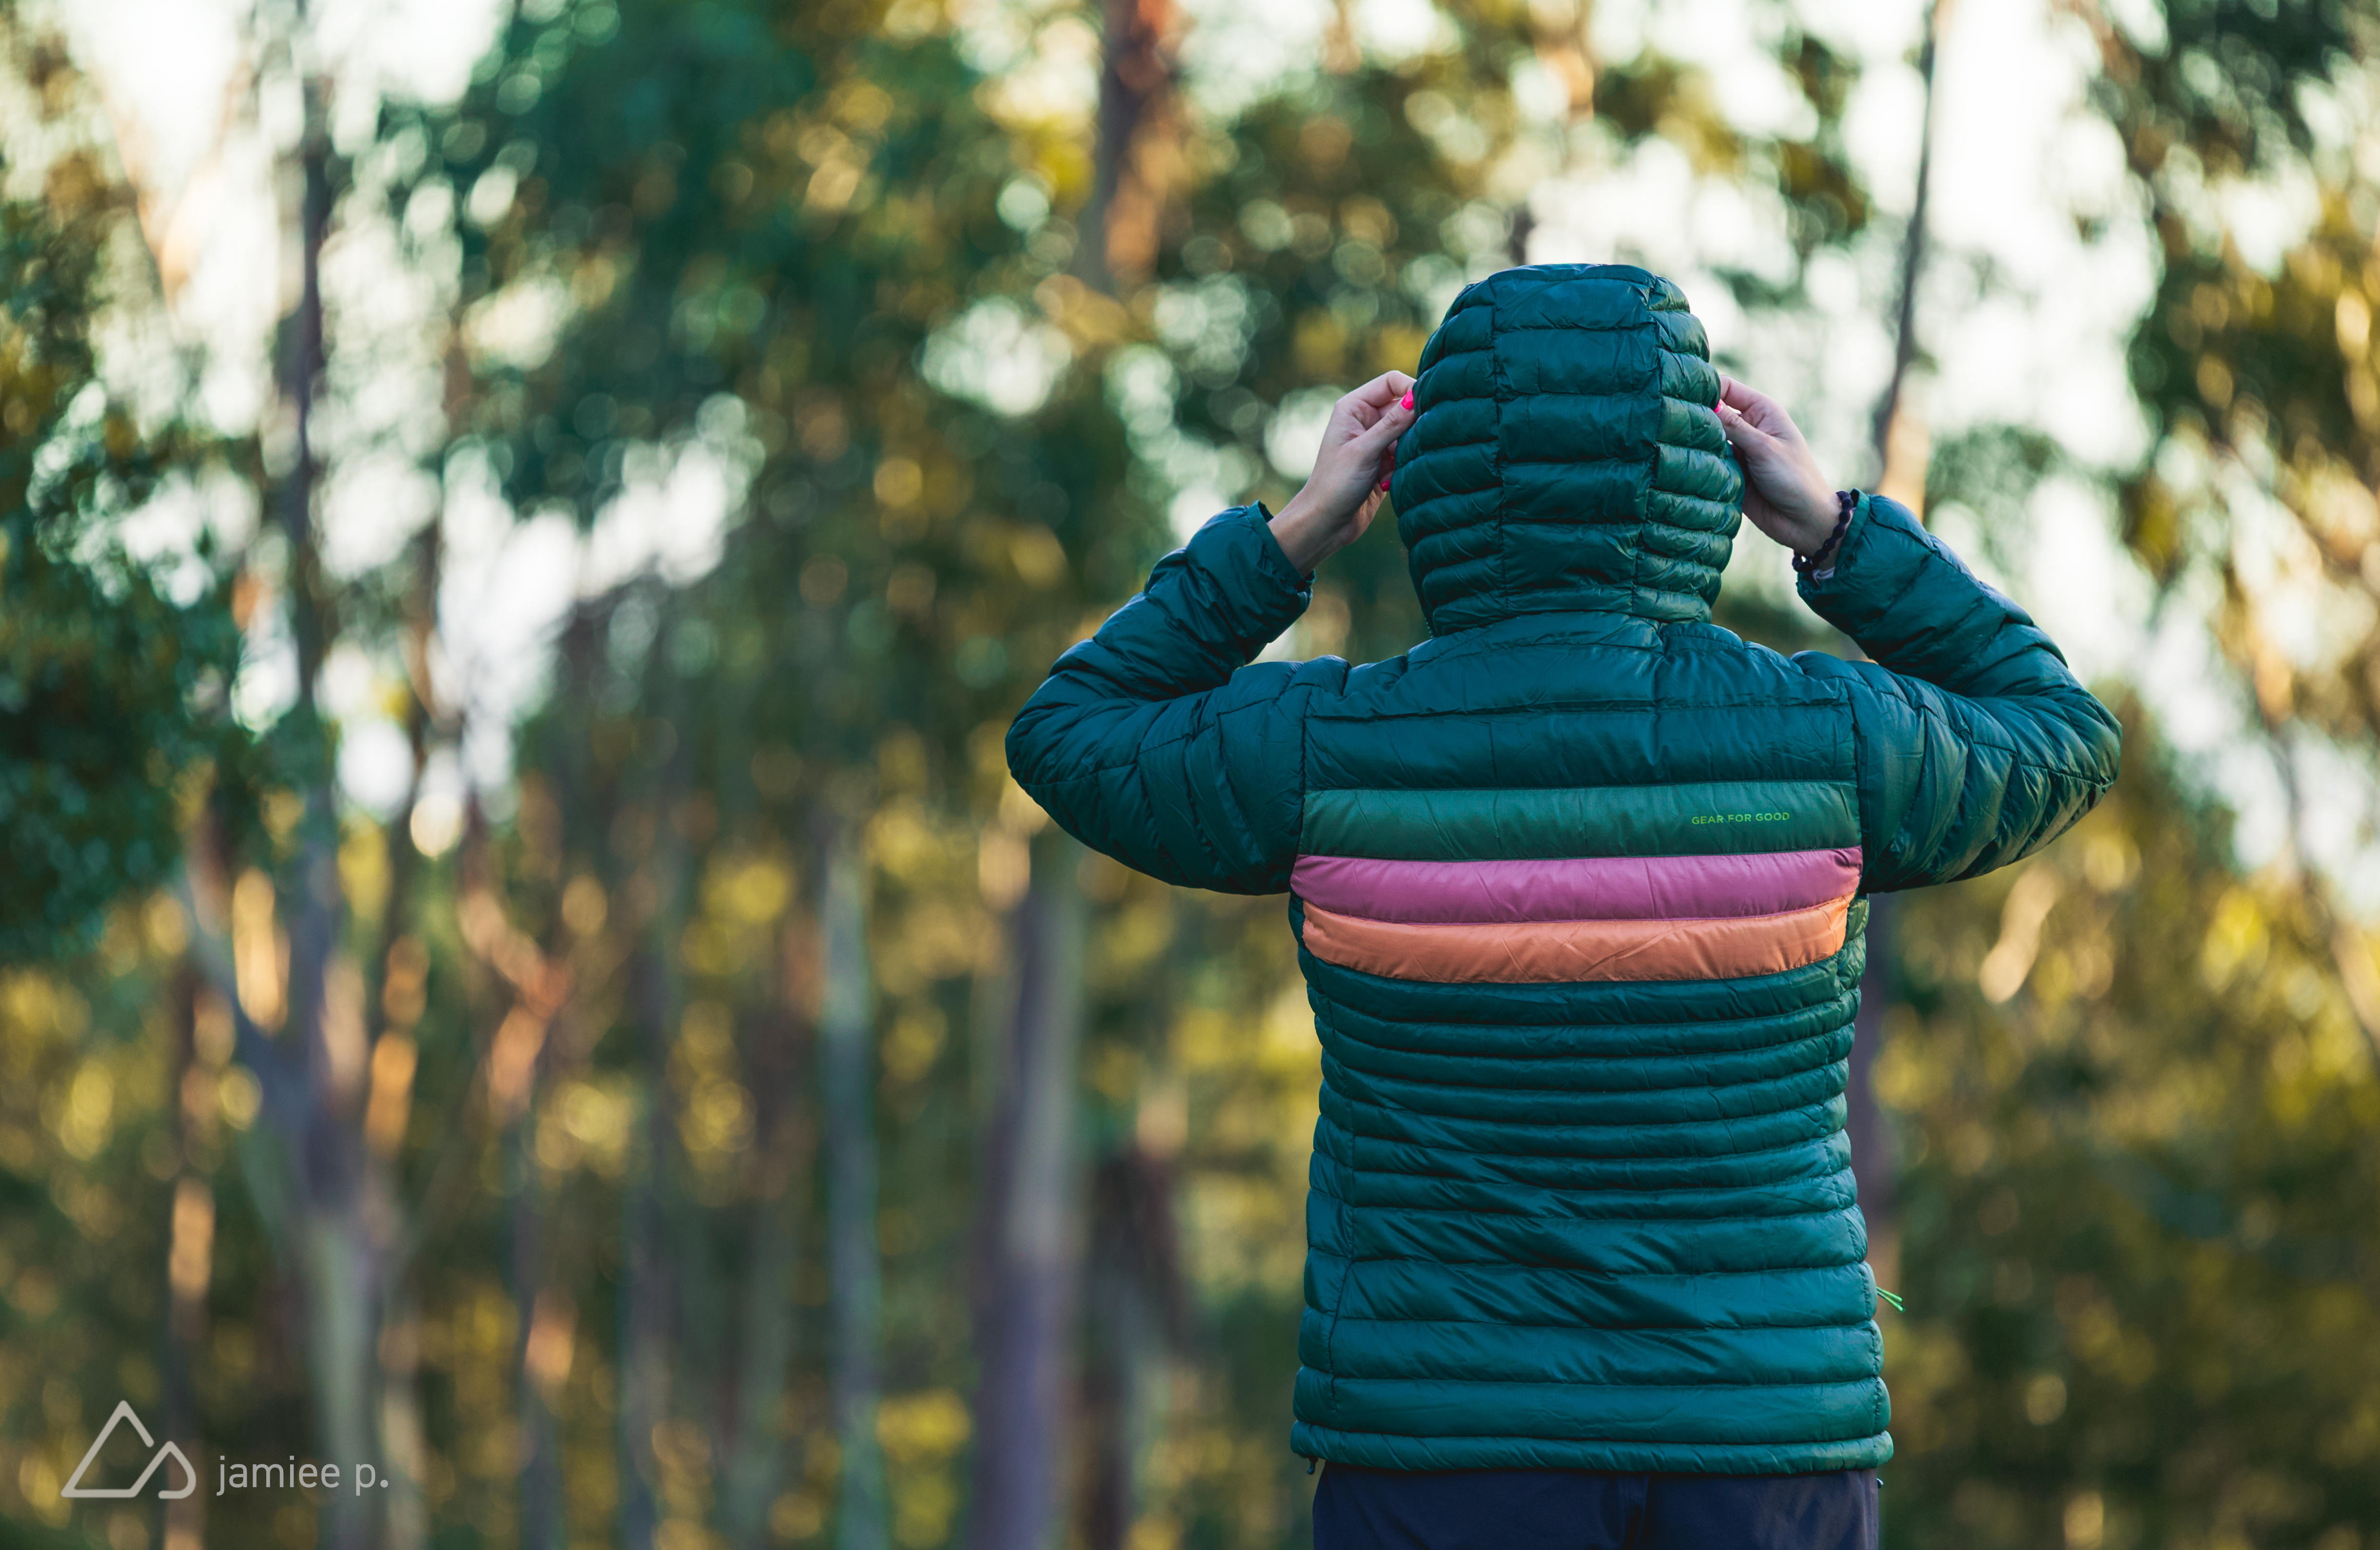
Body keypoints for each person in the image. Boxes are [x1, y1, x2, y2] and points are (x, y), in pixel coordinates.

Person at [1006, 264, 2121, 1550]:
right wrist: (1832, 532)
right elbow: (2060, 731)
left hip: (1436, 1452)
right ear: (1702, 474)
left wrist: (1292, 534)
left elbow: (1069, 735)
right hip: (1761, 1448)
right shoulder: (1823, 740)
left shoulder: (1331, 747)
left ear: (1427, 479)